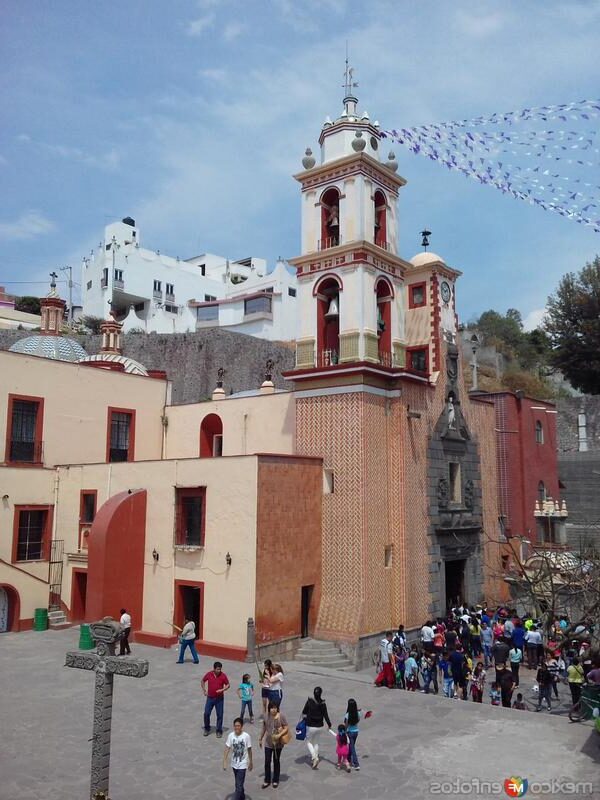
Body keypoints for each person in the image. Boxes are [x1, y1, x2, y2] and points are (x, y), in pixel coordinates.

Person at [259, 701, 288, 789]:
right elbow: (264, 727)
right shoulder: (265, 716)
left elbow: (286, 727)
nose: (273, 710)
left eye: (275, 708)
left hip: (278, 744)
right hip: (268, 742)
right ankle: (267, 780)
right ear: (269, 709)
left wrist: (279, 735)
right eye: (272, 708)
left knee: (276, 760)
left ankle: (275, 779)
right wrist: (260, 738)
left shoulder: (281, 716)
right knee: (267, 761)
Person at [302, 687, 332, 769]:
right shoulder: (323, 703)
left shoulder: (309, 701)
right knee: (316, 742)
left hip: (310, 725)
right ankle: (316, 758)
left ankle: (314, 757)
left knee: (308, 742)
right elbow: (326, 715)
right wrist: (329, 724)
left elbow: (304, 712)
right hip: (319, 726)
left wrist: (304, 718)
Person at [223, 717, 252, 800]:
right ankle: (242, 797)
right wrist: (224, 761)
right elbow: (227, 748)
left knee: (238, 786)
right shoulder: (231, 736)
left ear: (242, 726)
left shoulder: (246, 736)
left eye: (238, 726)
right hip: (234, 763)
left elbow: (249, 749)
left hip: (243, 764)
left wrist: (251, 761)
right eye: (235, 726)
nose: (237, 727)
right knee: (238, 783)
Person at [202, 661, 230, 737]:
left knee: (220, 715)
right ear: (214, 669)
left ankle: (219, 730)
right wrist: (204, 690)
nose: (219, 671)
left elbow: (228, 685)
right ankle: (207, 728)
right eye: (217, 669)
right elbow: (203, 681)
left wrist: (222, 690)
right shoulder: (209, 674)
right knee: (206, 713)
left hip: (219, 699)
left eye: (220, 669)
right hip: (210, 698)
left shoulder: (223, 676)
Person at [344, 699, 360, 771]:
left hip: (350, 732)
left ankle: (356, 764)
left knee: (352, 747)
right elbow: (358, 720)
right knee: (351, 746)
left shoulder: (347, 715)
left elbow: (346, 725)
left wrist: (344, 731)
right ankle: (348, 759)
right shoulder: (357, 713)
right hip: (356, 732)